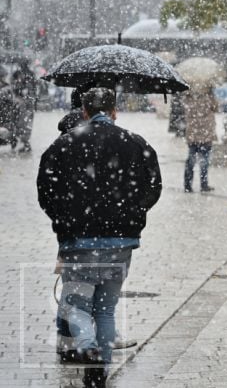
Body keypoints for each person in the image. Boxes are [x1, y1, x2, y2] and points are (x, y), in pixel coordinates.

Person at [37, 87, 162, 388]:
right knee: (106, 309)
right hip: (121, 240)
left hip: (78, 241)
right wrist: (132, 214)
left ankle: (88, 345)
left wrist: (64, 220)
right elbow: (153, 187)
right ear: (114, 111)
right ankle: (99, 373)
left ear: (83, 112)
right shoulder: (135, 143)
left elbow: (46, 191)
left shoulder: (63, 145)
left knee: (76, 306)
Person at [182, 89, 219, 193]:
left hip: (193, 135)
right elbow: (216, 108)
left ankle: (188, 185)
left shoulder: (188, 97)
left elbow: (186, 111)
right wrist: (211, 94)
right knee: (204, 162)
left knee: (191, 161)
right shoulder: (208, 97)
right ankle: (203, 185)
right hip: (205, 135)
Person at [11, 67, 36, 152]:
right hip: (21, 109)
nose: (19, 78)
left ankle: (26, 145)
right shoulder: (18, 84)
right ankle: (23, 144)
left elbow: (29, 97)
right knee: (21, 127)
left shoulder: (26, 84)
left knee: (25, 127)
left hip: (26, 110)